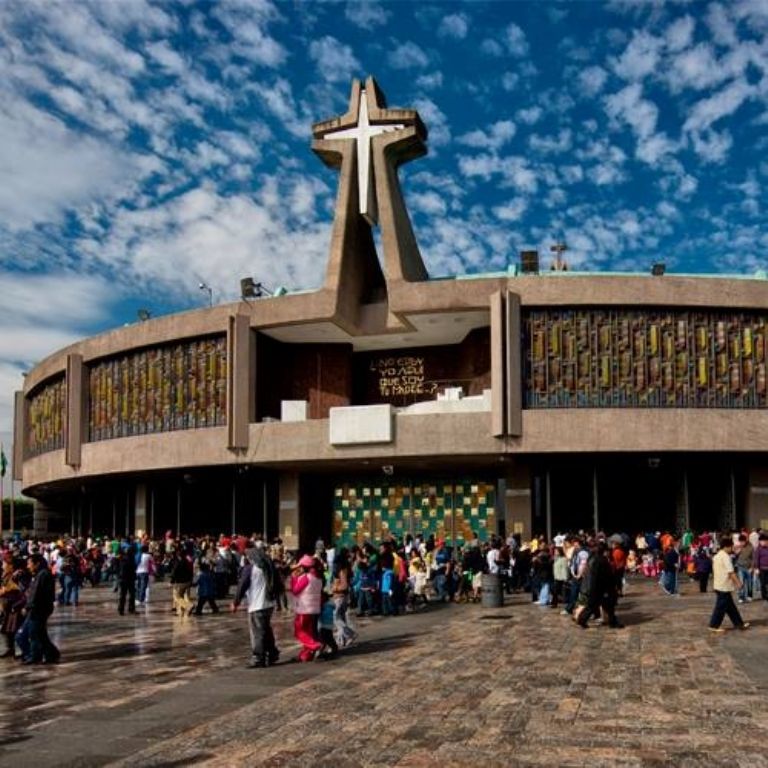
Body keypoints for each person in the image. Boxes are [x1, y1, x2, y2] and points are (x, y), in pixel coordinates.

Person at [232, 547, 279, 668]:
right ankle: (272, 653)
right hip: (269, 604)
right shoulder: (268, 567)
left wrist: (235, 602)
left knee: (257, 633)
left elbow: (242, 586)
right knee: (266, 630)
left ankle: (258, 657)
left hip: (257, 605)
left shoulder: (251, 569)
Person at [16, 554, 60, 665]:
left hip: (38, 609)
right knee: (39, 634)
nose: (28, 566)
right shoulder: (40, 574)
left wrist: (27, 607)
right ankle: (50, 654)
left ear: (37, 563)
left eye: (30, 563)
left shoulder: (43, 575)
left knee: (34, 634)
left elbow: (36, 594)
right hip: (38, 608)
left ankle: (36, 656)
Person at [709, 537, 750, 633]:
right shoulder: (726, 557)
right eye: (731, 546)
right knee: (720, 607)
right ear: (727, 546)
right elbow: (731, 572)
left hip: (718, 584)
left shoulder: (717, 556)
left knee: (730, 607)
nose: (732, 548)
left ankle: (739, 623)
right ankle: (714, 625)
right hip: (724, 586)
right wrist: (739, 583)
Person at [290, 554, 323, 662]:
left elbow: (295, 591)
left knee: (299, 631)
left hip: (304, 609)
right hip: (314, 609)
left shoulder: (306, 578)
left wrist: (294, 579)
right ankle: (305, 655)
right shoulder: (318, 578)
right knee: (307, 632)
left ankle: (314, 645)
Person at [117, 546, 137, 615]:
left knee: (122, 595)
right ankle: (131, 608)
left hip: (122, 579)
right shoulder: (131, 560)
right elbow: (134, 568)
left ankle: (121, 609)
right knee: (132, 594)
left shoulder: (122, 559)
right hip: (129, 579)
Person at [753, 532, 768, 601]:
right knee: (763, 583)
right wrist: (756, 568)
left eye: (764, 541)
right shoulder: (758, 549)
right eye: (761, 541)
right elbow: (756, 559)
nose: (763, 542)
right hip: (762, 569)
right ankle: (764, 596)